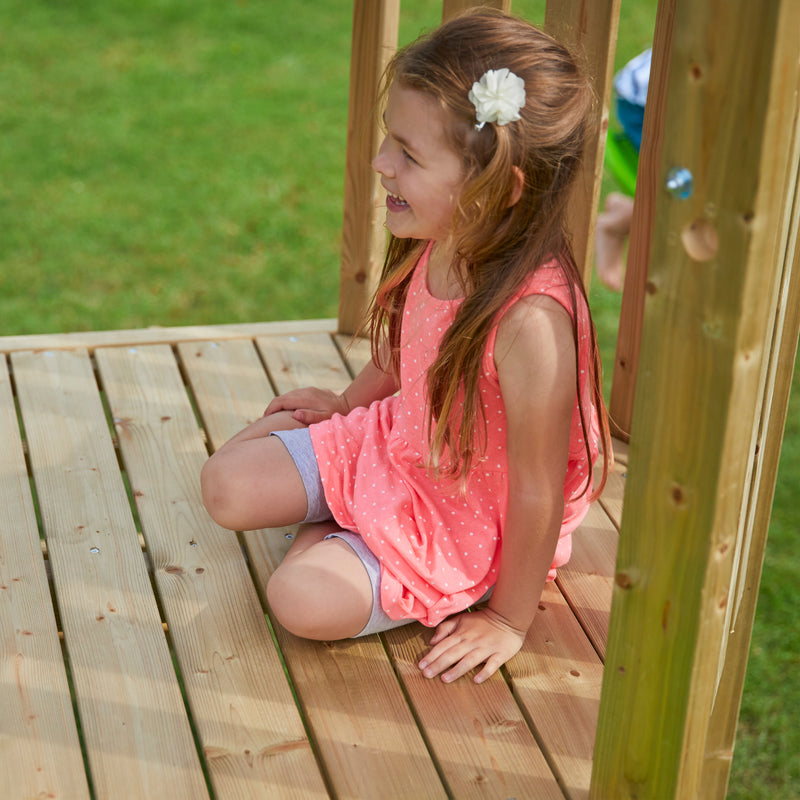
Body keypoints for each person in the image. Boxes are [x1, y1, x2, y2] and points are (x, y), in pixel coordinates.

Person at [201, 9, 611, 685]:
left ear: (497, 190)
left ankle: (348, 541)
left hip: (460, 513)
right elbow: (403, 354)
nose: (380, 163)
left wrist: (507, 620)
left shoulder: (531, 321)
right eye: (390, 139)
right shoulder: (443, 236)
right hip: (396, 445)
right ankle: (349, 526)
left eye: (408, 155)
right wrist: (345, 405)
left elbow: (537, 490)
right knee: (224, 486)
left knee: (298, 600)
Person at [595, 48, 651, 291]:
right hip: (644, 101)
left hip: (643, 94)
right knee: (685, 199)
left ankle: (626, 210)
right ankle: (616, 224)